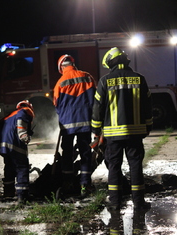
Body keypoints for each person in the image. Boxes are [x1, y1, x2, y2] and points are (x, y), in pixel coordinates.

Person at [91, 47, 153, 210]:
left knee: (114, 167)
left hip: (113, 136)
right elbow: (147, 106)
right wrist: (148, 126)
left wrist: (96, 131)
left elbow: (98, 108)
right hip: (135, 134)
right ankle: (139, 203)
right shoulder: (140, 79)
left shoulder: (105, 81)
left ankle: (115, 203)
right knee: (136, 167)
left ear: (111, 62)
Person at [53, 54, 96, 197]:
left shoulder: (60, 83)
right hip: (85, 122)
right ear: (73, 63)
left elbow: (56, 105)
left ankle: (68, 183)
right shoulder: (87, 77)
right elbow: (95, 99)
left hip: (67, 125)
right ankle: (85, 184)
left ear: (61, 67)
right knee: (85, 152)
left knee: (67, 153)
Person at [0, 100, 35, 204]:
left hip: (1, 142)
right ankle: (22, 196)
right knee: (22, 167)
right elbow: (21, 124)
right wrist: (24, 136)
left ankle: (8, 192)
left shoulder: (10, 115)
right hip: (13, 142)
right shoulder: (25, 110)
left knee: (9, 166)